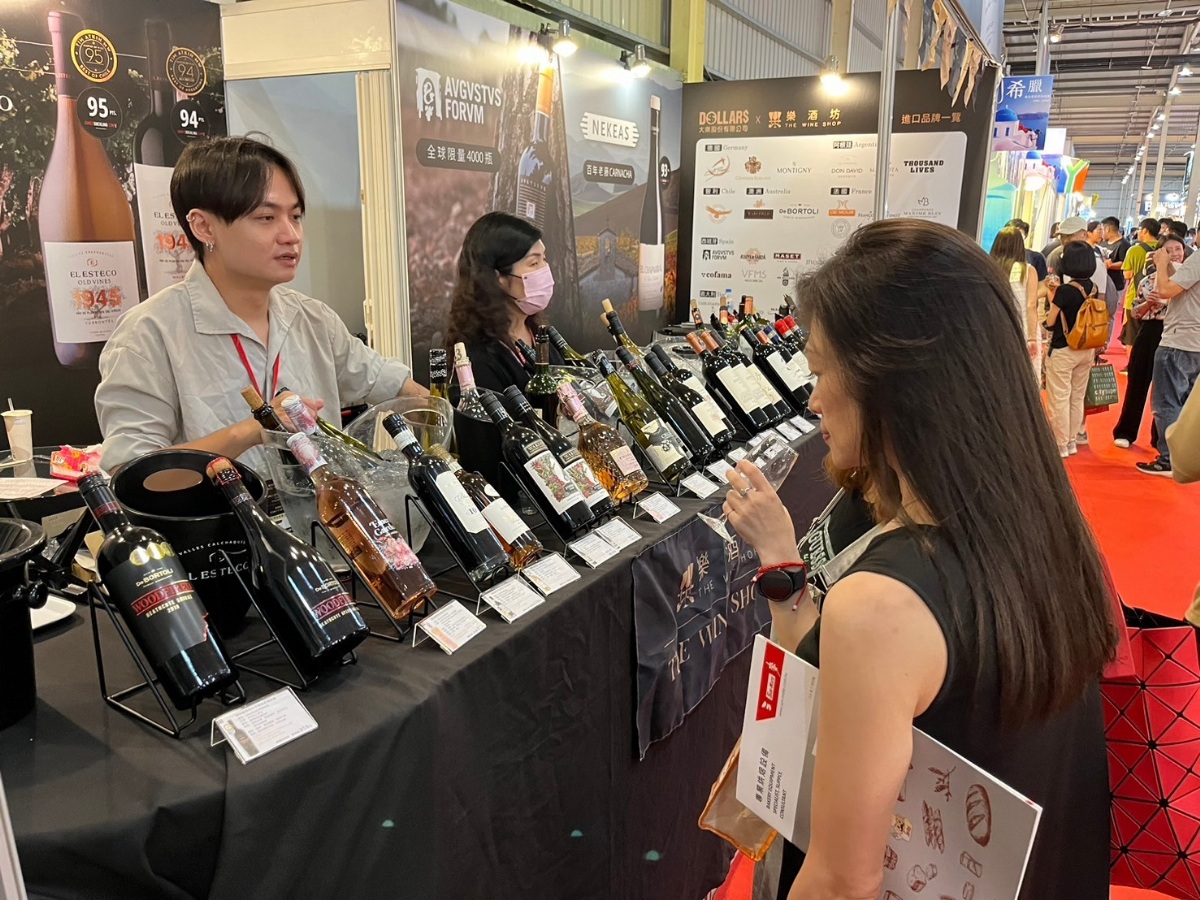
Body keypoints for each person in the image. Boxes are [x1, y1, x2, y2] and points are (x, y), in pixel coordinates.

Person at [722, 219, 1112, 900]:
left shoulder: (881, 605)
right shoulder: (1048, 525)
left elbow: (842, 879)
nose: (813, 399)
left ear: (890, 381)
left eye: (820, 371)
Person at [96, 136, 428, 474]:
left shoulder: (313, 319)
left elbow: (394, 386)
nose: (291, 235)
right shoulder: (149, 332)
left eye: (295, 216)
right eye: (267, 218)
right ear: (204, 227)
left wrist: (439, 416)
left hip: (323, 507)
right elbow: (132, 473)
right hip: (224, 508)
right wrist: (254, 430)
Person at [445, 211, 563, 396]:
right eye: (534, 263)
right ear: (498, 277)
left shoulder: (541, 334)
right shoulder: (479, 359)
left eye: (544, 259)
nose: (545, 270)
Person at [1134, 237, 1200, 476]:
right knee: (1187, 405)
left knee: (1166, 402)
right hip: (1193, 342)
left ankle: (1170, 460)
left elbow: (1165, 290)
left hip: (1179, 341)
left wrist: (1161, 265)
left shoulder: (1197, 259)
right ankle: (1184, 458)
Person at [1113, 235, 1183, 449]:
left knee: (1169, 389)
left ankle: (1161, 437)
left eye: (1178, 249)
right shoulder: (1147, 281)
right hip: (1150, 332)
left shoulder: (1188, 279)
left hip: (1177, 334)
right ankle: (1125, 431)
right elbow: (1135, 312)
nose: (1174, 254)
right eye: (1168, 250)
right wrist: (1147, 304)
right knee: (1138, 383)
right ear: (1159, 254)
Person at [1045, 242, 1100, 458]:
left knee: (1059, 397)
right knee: (1077, 397)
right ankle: (1071, 441)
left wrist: (1052, 294)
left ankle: (1059, 445)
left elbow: (1051, 321)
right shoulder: (1093, 288)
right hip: (1086, 349)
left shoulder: (1065, 290)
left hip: (1063, 349)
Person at [989, 226, 1040, 375]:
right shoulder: (1027, 270)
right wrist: (1032, 338)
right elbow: (1031, 305)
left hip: (995, 325)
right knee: (1024, 373)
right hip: (1022, 326)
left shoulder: (990, 267)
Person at [1121, 218, 1160, 350]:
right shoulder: (1162, 247)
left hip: (1136, 297)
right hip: (1159, 298)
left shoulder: (1134, 250)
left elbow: (1127, 275)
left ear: (1145, 230)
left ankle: (1131, 362)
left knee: (1132, 337)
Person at [1100, 216, 1130, 297]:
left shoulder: (1124, 245)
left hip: (1115, 285)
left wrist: (1109, 265)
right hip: (1102, 283)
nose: (1101, 233)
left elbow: (1124, 263)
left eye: (1102, 229)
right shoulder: (1102, 243)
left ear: (1107, 229)